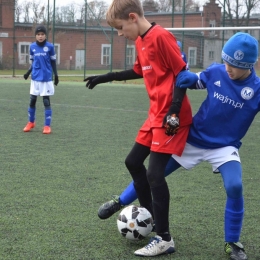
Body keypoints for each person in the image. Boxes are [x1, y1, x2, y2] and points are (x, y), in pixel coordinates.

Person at [98, 32, 260, 260]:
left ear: (250, 65)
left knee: (234, 185)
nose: (228, 68)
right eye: (226, 61)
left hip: (224, 147)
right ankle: (120, 200)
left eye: (234, 65)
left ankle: (232, 242)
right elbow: (194, 80)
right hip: (193, 139)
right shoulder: (216, 71)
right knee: (155, 174)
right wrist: (186, 78)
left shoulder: (257, 89)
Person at [84, 0, 193, 257]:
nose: (120, 34)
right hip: (154, 114)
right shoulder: (140, 41)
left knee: (155, 175)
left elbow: (182, 73)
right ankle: (151, 218)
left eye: (120, 28)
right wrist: (106, 77)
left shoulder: (161, 37)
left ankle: (164, 238)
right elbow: (138, 71)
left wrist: (175, 110)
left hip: (171, 117)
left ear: (133, 17)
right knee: (133, 162)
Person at [23, 25, 59, 134]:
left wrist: (56, 75)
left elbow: (53, 62)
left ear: (45, 35)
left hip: (46, 78)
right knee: (32, 100)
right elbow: (33, 62)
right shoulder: (32, 47)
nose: (40, 36)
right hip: (35, 78)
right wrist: (28, 72)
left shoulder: (50, 47)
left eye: (42, 34)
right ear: (35, 36)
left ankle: (47, 126)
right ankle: (31, 122)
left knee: (46, 101)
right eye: (38, 34)